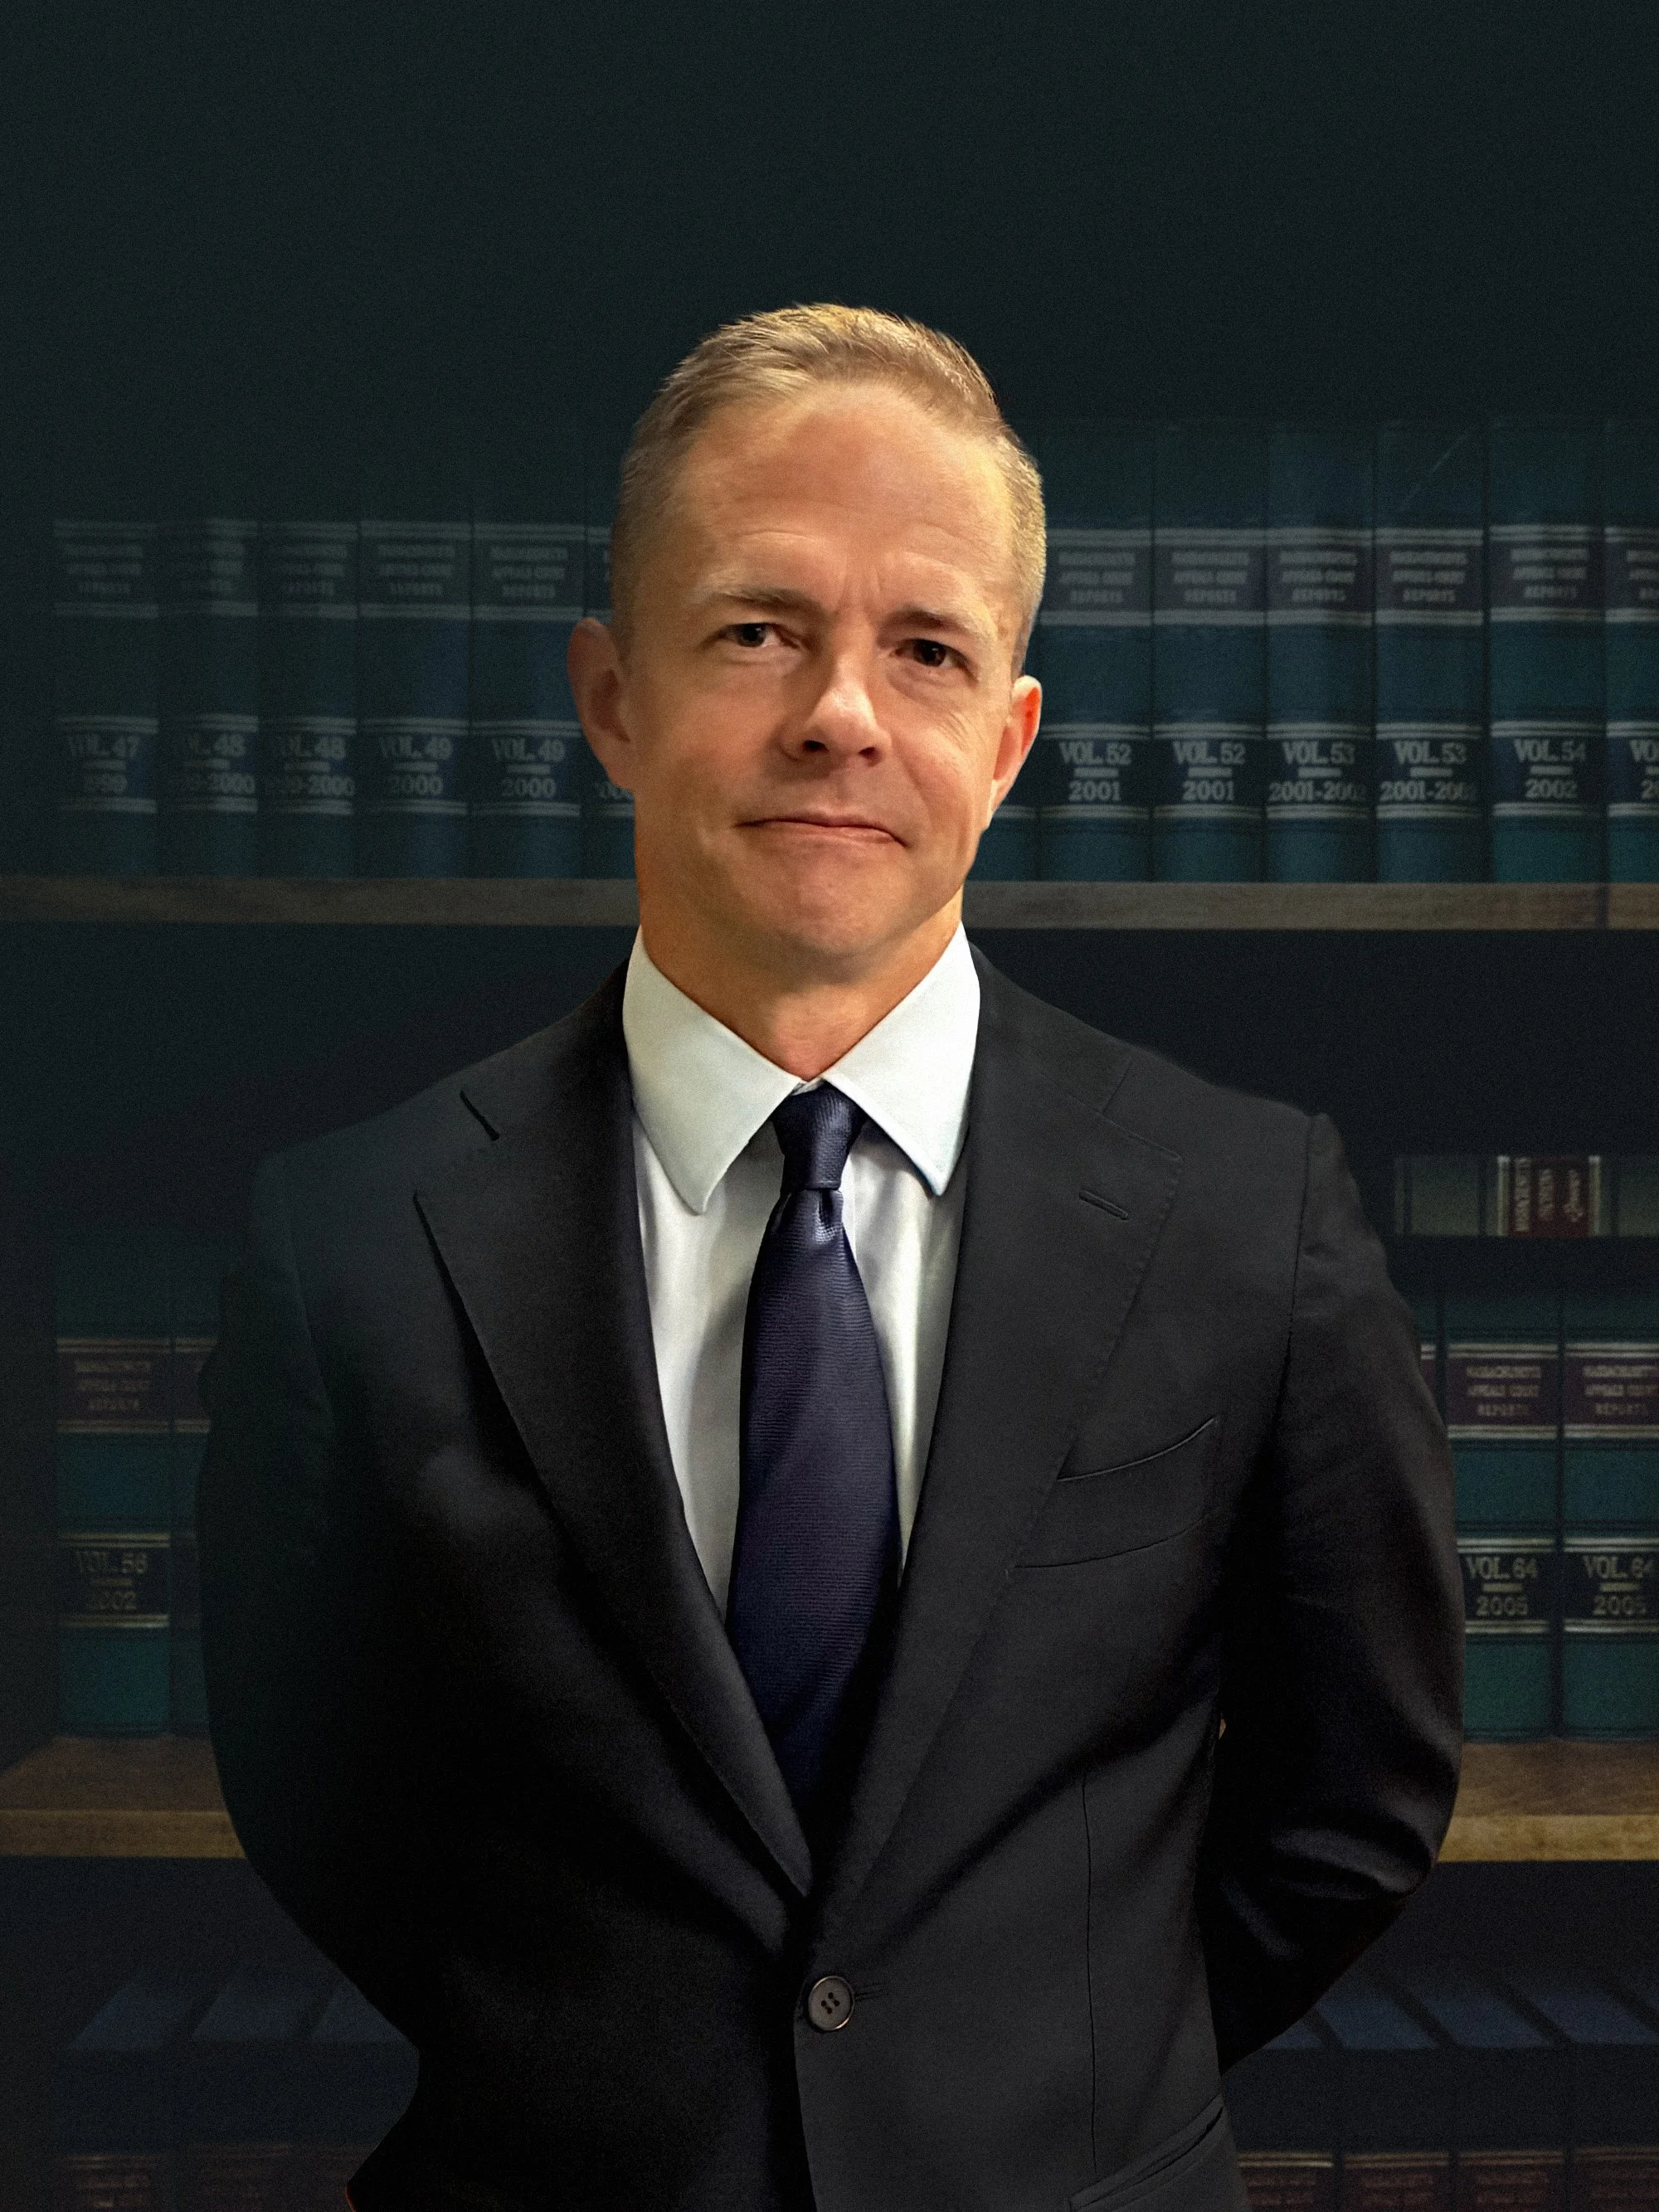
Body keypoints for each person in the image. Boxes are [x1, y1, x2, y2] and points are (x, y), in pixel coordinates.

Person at [197, 304, 1463, 2212]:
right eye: (757, 629)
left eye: (927, 647)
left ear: (1010, 737)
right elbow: (314, 1797)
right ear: (612, 701)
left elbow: (1351, 1801)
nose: (841, 714)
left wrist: (1038, 2066)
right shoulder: (350, 1238)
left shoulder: (1246, 1211)